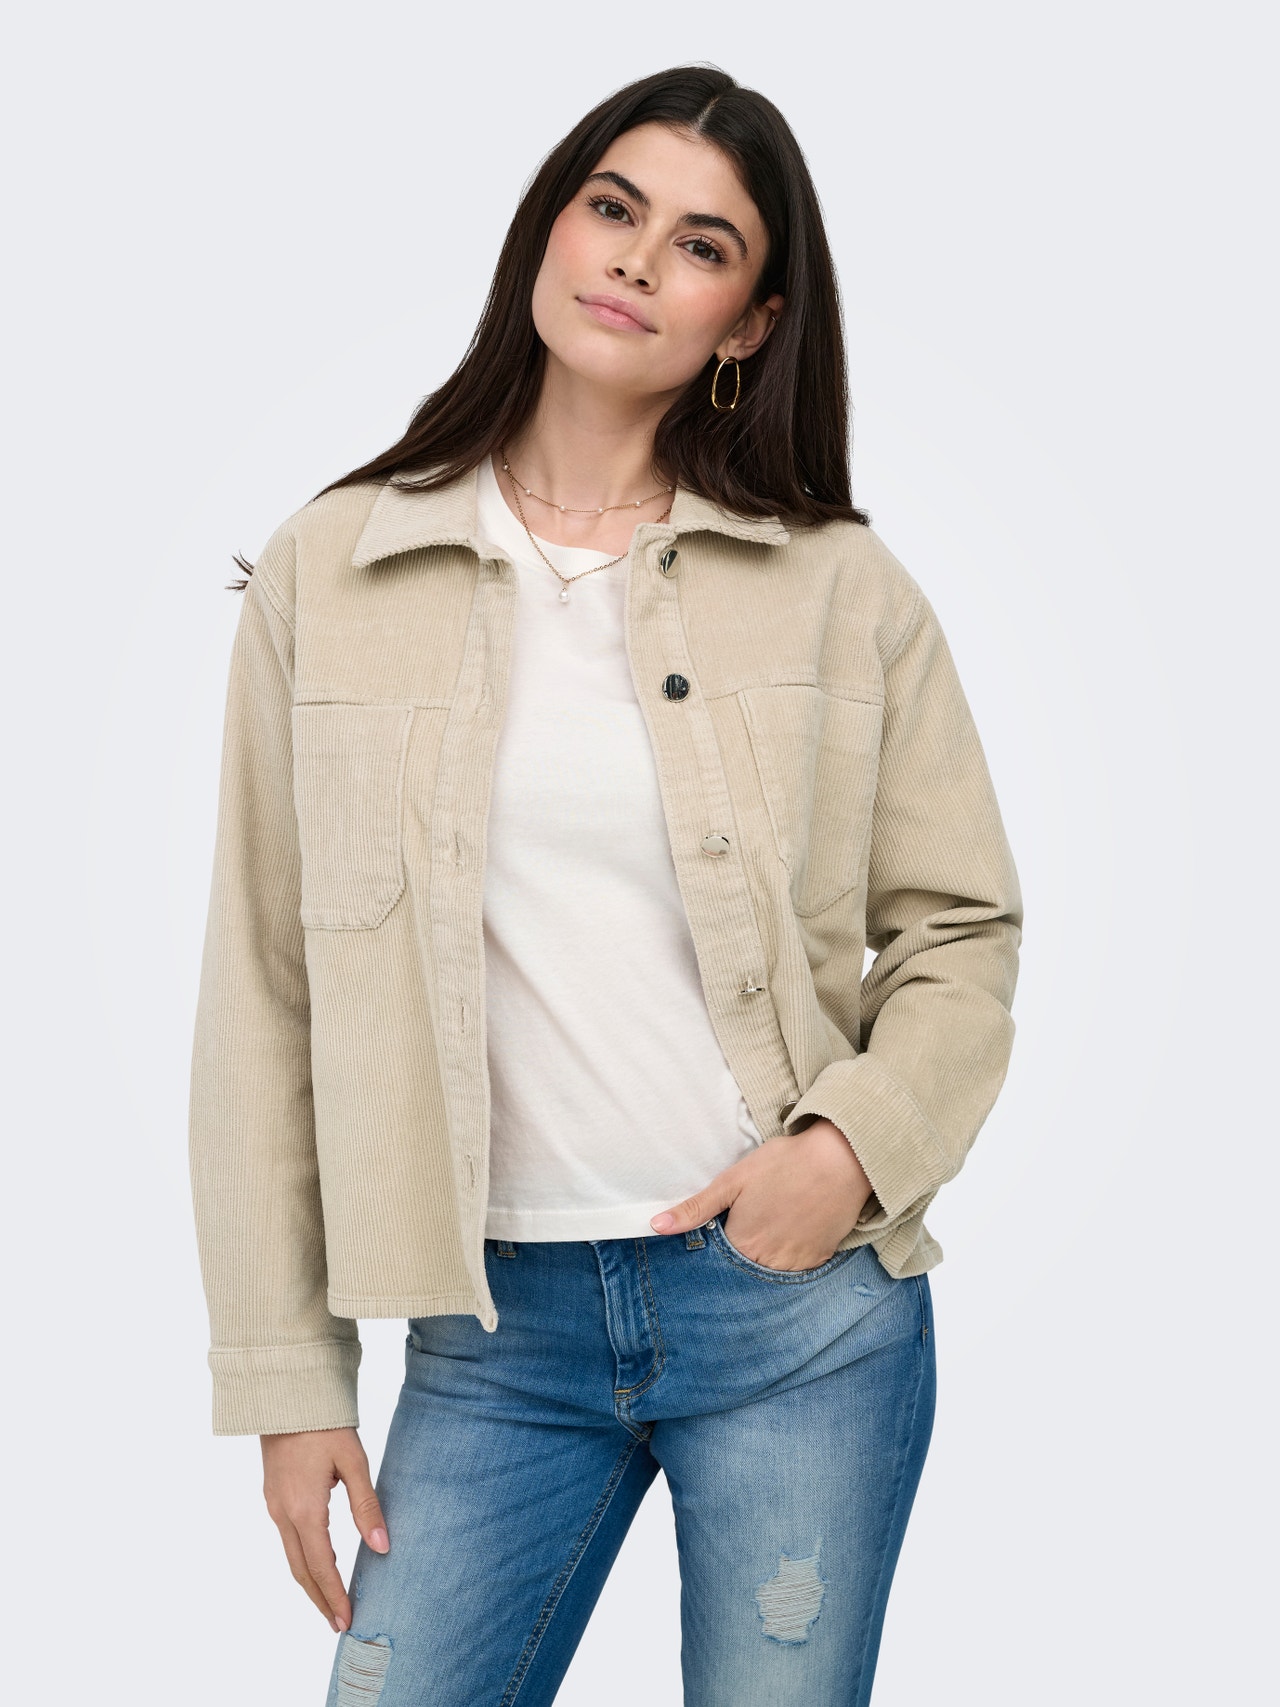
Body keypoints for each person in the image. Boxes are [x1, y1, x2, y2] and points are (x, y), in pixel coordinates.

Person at [188, 64, 1023, 1707]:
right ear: (550, 231)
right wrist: (287, 1375)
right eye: (614, 208)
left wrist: (850, 1153)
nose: (638, 258)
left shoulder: (840, 587)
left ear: (749, 323)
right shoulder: (333, 568)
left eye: (701, 245)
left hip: (794, 1316)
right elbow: (266, 988)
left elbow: (960, 925)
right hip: (490, 1337)